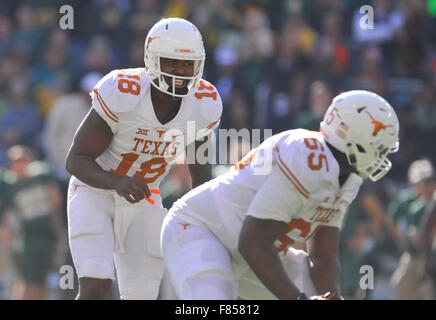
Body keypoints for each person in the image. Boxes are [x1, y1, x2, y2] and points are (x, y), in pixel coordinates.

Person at [161, 90, 400, 299]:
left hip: (256, 250)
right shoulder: (307, 156)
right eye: (379, 148)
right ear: (355, 139)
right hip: (202, 230)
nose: (382, 157)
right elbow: (252, 242)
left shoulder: (349, 178)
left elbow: (324, 256)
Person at [65, 17, 222, 300]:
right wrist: (116, 182)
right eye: (172, 62)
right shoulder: (122, 91)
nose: (181, 72)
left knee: (142, 296)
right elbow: (76, 160)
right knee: (96, 284)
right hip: (95, 188)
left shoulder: (205, 103)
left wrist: (202, 219)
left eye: (188, 64)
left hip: (145, 196)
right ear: (152, 59)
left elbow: (199, 171)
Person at [5, 145, 64, 300]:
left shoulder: (42, 176)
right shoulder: (10, 186)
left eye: (21, 160)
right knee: (26, 281)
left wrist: (60, 232)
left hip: (47, 235)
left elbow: (56, 202)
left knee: (41, 281)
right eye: (14, 162)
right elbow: (8, 216)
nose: (18, 165)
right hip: (26, 238)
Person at [390, 159, 436, 299]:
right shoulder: (411, 202)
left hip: (430, 260)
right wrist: (403, 239)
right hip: (413, 256)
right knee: (401, 288)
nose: (427, 186)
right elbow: (391, 219)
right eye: (424, 182)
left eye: (430, 181)